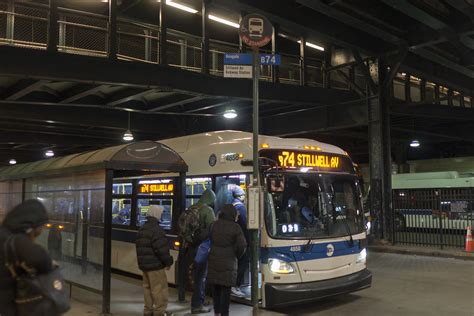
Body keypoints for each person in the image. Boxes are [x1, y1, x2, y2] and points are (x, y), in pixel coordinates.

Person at [0, 199, 56, 316]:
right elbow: (41, 259)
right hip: (9, 303)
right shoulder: (17, 240)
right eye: (40, 227)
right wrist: (50, 263)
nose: (40, 232)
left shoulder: (4, 233)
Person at [207, 204, 247, 316]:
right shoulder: (236, 227)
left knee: (216, 289)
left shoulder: (214, 225)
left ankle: (217, 312)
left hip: (214, 260)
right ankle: (225, 314)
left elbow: (209, 238)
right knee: (226, 290)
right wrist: (236, 255)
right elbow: (242, 245)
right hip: (229, 262)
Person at [136, 205, 174, 316]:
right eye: (161, 213)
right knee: (159, 289)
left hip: (144, 265)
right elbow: (161, 250)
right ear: (156, 214)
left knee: (147, 288)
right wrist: (168, 262)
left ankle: (148, 311)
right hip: (155, 266)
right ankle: (159, 312)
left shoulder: (142, 228)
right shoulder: (157, 230)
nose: (162, 216)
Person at [189, 189, 216, 314]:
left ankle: (200, 300)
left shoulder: (192, 207)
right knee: (200, 277)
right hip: (202, 248)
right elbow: (213, 229)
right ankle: (196, 305)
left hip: (191, 246)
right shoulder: (208, 210)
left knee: (196, 276)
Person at [229, 185, 249, 298]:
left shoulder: (230, 206)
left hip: (231, 240)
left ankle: (233, 285)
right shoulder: (241, 207)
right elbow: (246, 224)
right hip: (240, 240)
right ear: (241, 196)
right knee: (243, 262)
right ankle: (235, 285)